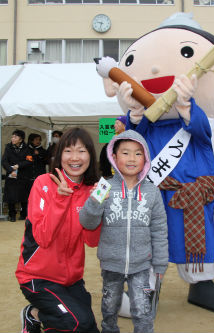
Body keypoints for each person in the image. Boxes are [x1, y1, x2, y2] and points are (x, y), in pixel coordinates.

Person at [100, 13, 214, 313]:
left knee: (195, 239)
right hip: (154, 195)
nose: (154, 68)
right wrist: (136, 116)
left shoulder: (202, 122)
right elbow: (129, 149)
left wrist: (186, 106)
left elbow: (205, 137)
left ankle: (201, 286)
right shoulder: (145, 124)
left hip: (191, 195)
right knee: (150, 242)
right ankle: (146, 291)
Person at [79, 129, 168, 333]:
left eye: (138, 153)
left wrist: (160, 263)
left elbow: (159, 229)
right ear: (114, 156)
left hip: (142, 265)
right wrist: (94, 202)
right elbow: (88, 222)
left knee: (143, 309)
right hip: (111, 263)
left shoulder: (152, 191)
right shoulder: (104, 187)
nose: (132, 158)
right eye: (125, 152)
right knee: (109, 306)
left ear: (145, 158)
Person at [15, 127, 101, 333]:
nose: (75, 158)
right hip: (37, 277)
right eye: (68, 151)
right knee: (75, 324)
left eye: (81, 151)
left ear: (90, 155)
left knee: (88, 327)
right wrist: (61, 198)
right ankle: (34, 315)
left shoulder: (92, 189)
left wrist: (95, 207)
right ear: (59, 154)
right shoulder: (43, 184)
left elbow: (92, 240)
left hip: (71, 279)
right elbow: (42, 237)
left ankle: (36, 314)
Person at [2, 129, 32, 222]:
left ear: (21, 139)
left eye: (15, 137)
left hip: (23, 175)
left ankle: (24, 214)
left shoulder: (27, 148)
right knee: (11, 195)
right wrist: (10, 170)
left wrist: (19, 165)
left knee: (24, 195)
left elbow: (29, 161)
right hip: (11, 175)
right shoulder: (8, 147)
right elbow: (4, 161)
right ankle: (12, 214)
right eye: (12, 136)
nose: (13, 138)